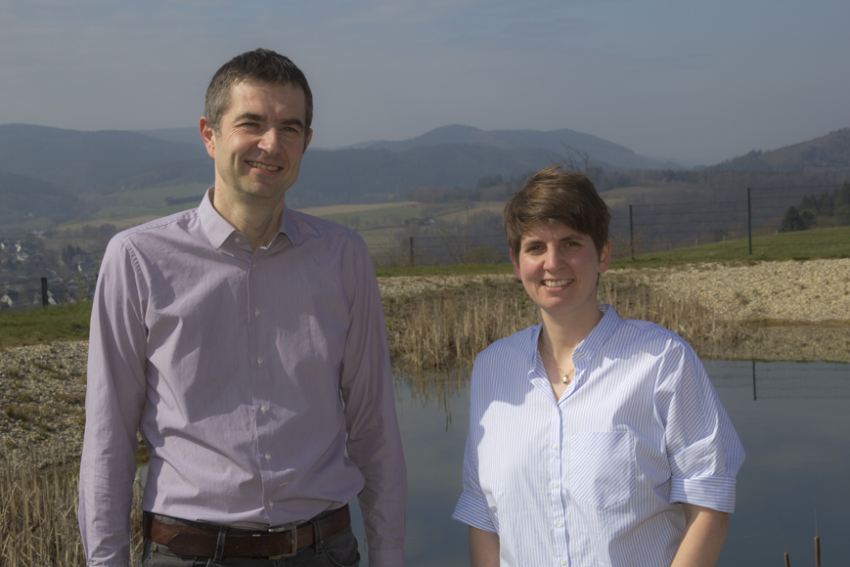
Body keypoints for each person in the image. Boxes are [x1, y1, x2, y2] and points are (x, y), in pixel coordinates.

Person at [79, 48, 406, 567]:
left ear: (306, 142)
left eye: (289, 127)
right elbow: (107, 437)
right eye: (251, 123)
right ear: (209, 134)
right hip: (188, 553)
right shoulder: (138, 259)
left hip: (323, 552)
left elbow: (374, 429)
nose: (271, 144)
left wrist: (389, 557)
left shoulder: (343, 258)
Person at [452, 166, 744, 566]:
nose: (552, 263)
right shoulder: (491, 369)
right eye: (535, 247)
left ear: (603, 254)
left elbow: (709, 505)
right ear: (516, 263)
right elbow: (482, 513)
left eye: (570, 243)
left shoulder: (662, 361)